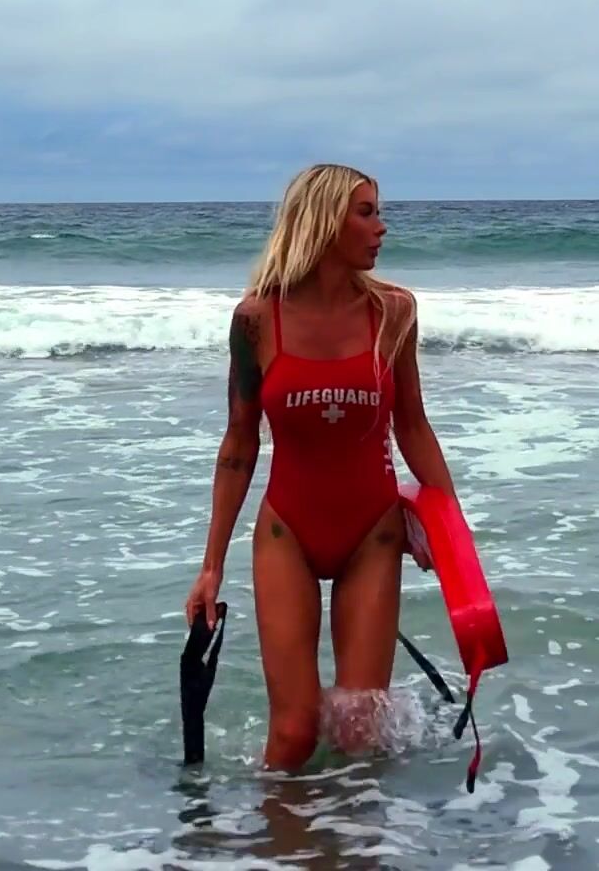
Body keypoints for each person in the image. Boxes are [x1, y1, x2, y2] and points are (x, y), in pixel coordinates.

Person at [182, 162, 457, 772]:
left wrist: (450, 531)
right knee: (294, 732)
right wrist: (211, 566)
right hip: (289, 532)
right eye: (367, 213)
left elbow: (412, 425)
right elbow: (239, 443)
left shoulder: (395, 312)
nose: (382, 227)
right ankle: (273, 828)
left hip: (372, 533)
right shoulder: (257, 319)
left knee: (360, 729)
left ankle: (351, 827)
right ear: (326, 221)